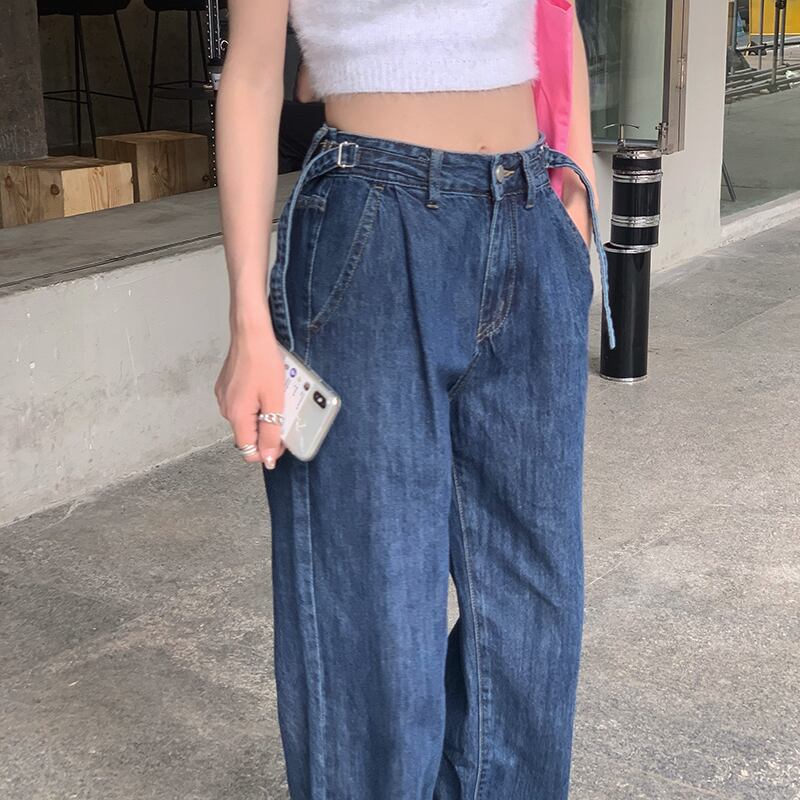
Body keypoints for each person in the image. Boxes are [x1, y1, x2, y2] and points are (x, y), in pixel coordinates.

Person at [214, 1, 614, 797]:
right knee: (374, 610)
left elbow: (555, 15)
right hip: (371, 218)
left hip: (529, 208)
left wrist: (573, 185)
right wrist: (248, 322)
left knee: (534, 612)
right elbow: (254, 73)